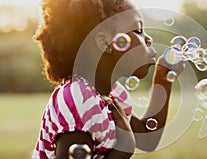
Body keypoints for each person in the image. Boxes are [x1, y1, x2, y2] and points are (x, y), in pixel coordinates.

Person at [32, 0, 185, 158]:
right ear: (104, 42)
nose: (149, 39)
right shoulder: (76, 100)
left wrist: (163, 78)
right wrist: (124, 148)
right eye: (138, 30)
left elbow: (147, 138)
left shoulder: (113, 95)